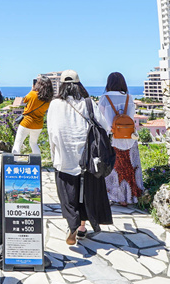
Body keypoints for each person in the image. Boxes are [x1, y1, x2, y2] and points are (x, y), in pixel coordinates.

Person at [46, 69, 113, 245]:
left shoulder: (54, 105)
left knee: (67, 194)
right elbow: (104, 127)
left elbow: (51, 132)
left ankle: (73, 223)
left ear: (61, 86)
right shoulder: (88, 103)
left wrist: (55, 154)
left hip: (64, 159)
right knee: (85, 193)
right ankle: (82, 227)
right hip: (88, 159)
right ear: (79, 84)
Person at [97, 72, 144, 206]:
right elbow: (131, 116)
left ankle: (116, 196)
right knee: (129, 166)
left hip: (112, 138)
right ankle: (130, 196)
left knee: (114, 168)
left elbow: (100, 118)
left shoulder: (104, 99)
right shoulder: (129, 97)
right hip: (129, 137)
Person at [11, 76, 53, 156]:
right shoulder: (48, 99)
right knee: (33, 143)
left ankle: (15, 162)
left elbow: (25, 99)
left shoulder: (33, 94)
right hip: (38, 125)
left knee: (18, 143)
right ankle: (38, 162)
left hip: (26, 122)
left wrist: (32, 89)